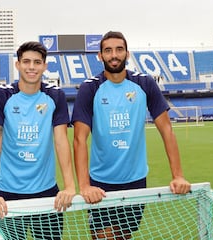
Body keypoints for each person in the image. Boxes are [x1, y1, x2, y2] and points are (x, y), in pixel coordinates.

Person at [71, 31, 191, 239]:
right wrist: (84, 185)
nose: (114, 55)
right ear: (100, 56)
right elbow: (80, 139)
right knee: (103, 236)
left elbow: (167, 130)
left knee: (123, 236)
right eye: (108, 50)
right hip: (101, 181)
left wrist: (178, 175)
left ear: (127, 53)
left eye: (119, 49)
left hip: (135, 180)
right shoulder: (89, 88)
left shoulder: (144, 84)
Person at [0, 41, 76, 239]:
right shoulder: (0, 95)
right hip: (8, 194)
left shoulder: (55, 95)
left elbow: (61, 141)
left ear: (44, 66)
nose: (31, 67)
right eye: (26, 62)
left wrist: (69, 186)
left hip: (47, 193)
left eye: (37, 62)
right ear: (17, 65)